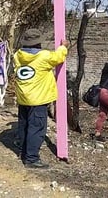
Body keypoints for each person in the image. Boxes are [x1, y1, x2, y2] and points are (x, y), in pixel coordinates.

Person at [14, 27, 69, 169]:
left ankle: (23, 150)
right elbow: (58, 57)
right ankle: (31, 159)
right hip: (38, 100)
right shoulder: (43, 57)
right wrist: (63, 47)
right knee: (37, 128)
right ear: (38, 43)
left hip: (23, 98)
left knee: (24, 125)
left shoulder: (18, 55)